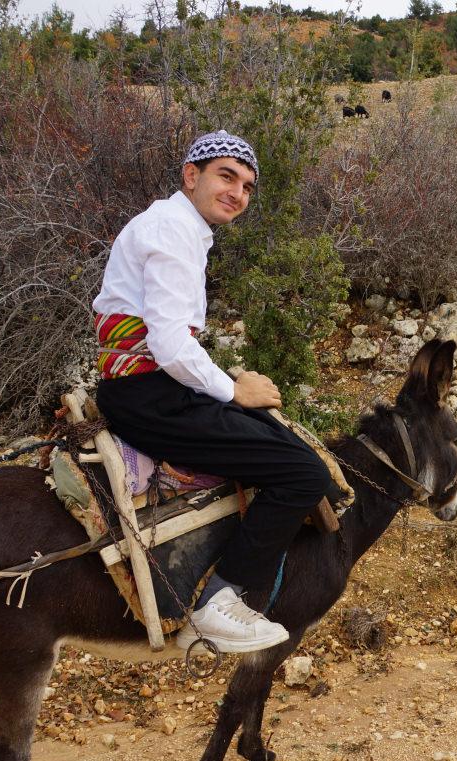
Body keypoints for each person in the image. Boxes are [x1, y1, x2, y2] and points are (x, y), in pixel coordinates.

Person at [93, 131, 333, 654]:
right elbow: (170, 345)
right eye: (227, 176)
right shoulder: (172, 231)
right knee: (304, 473)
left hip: (150, 386)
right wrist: (233, 389)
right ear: (191, 175)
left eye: (246, 186)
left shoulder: (179, 228)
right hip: (149, 396)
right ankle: (218, 603)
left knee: (282, 442)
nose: (238, 193)